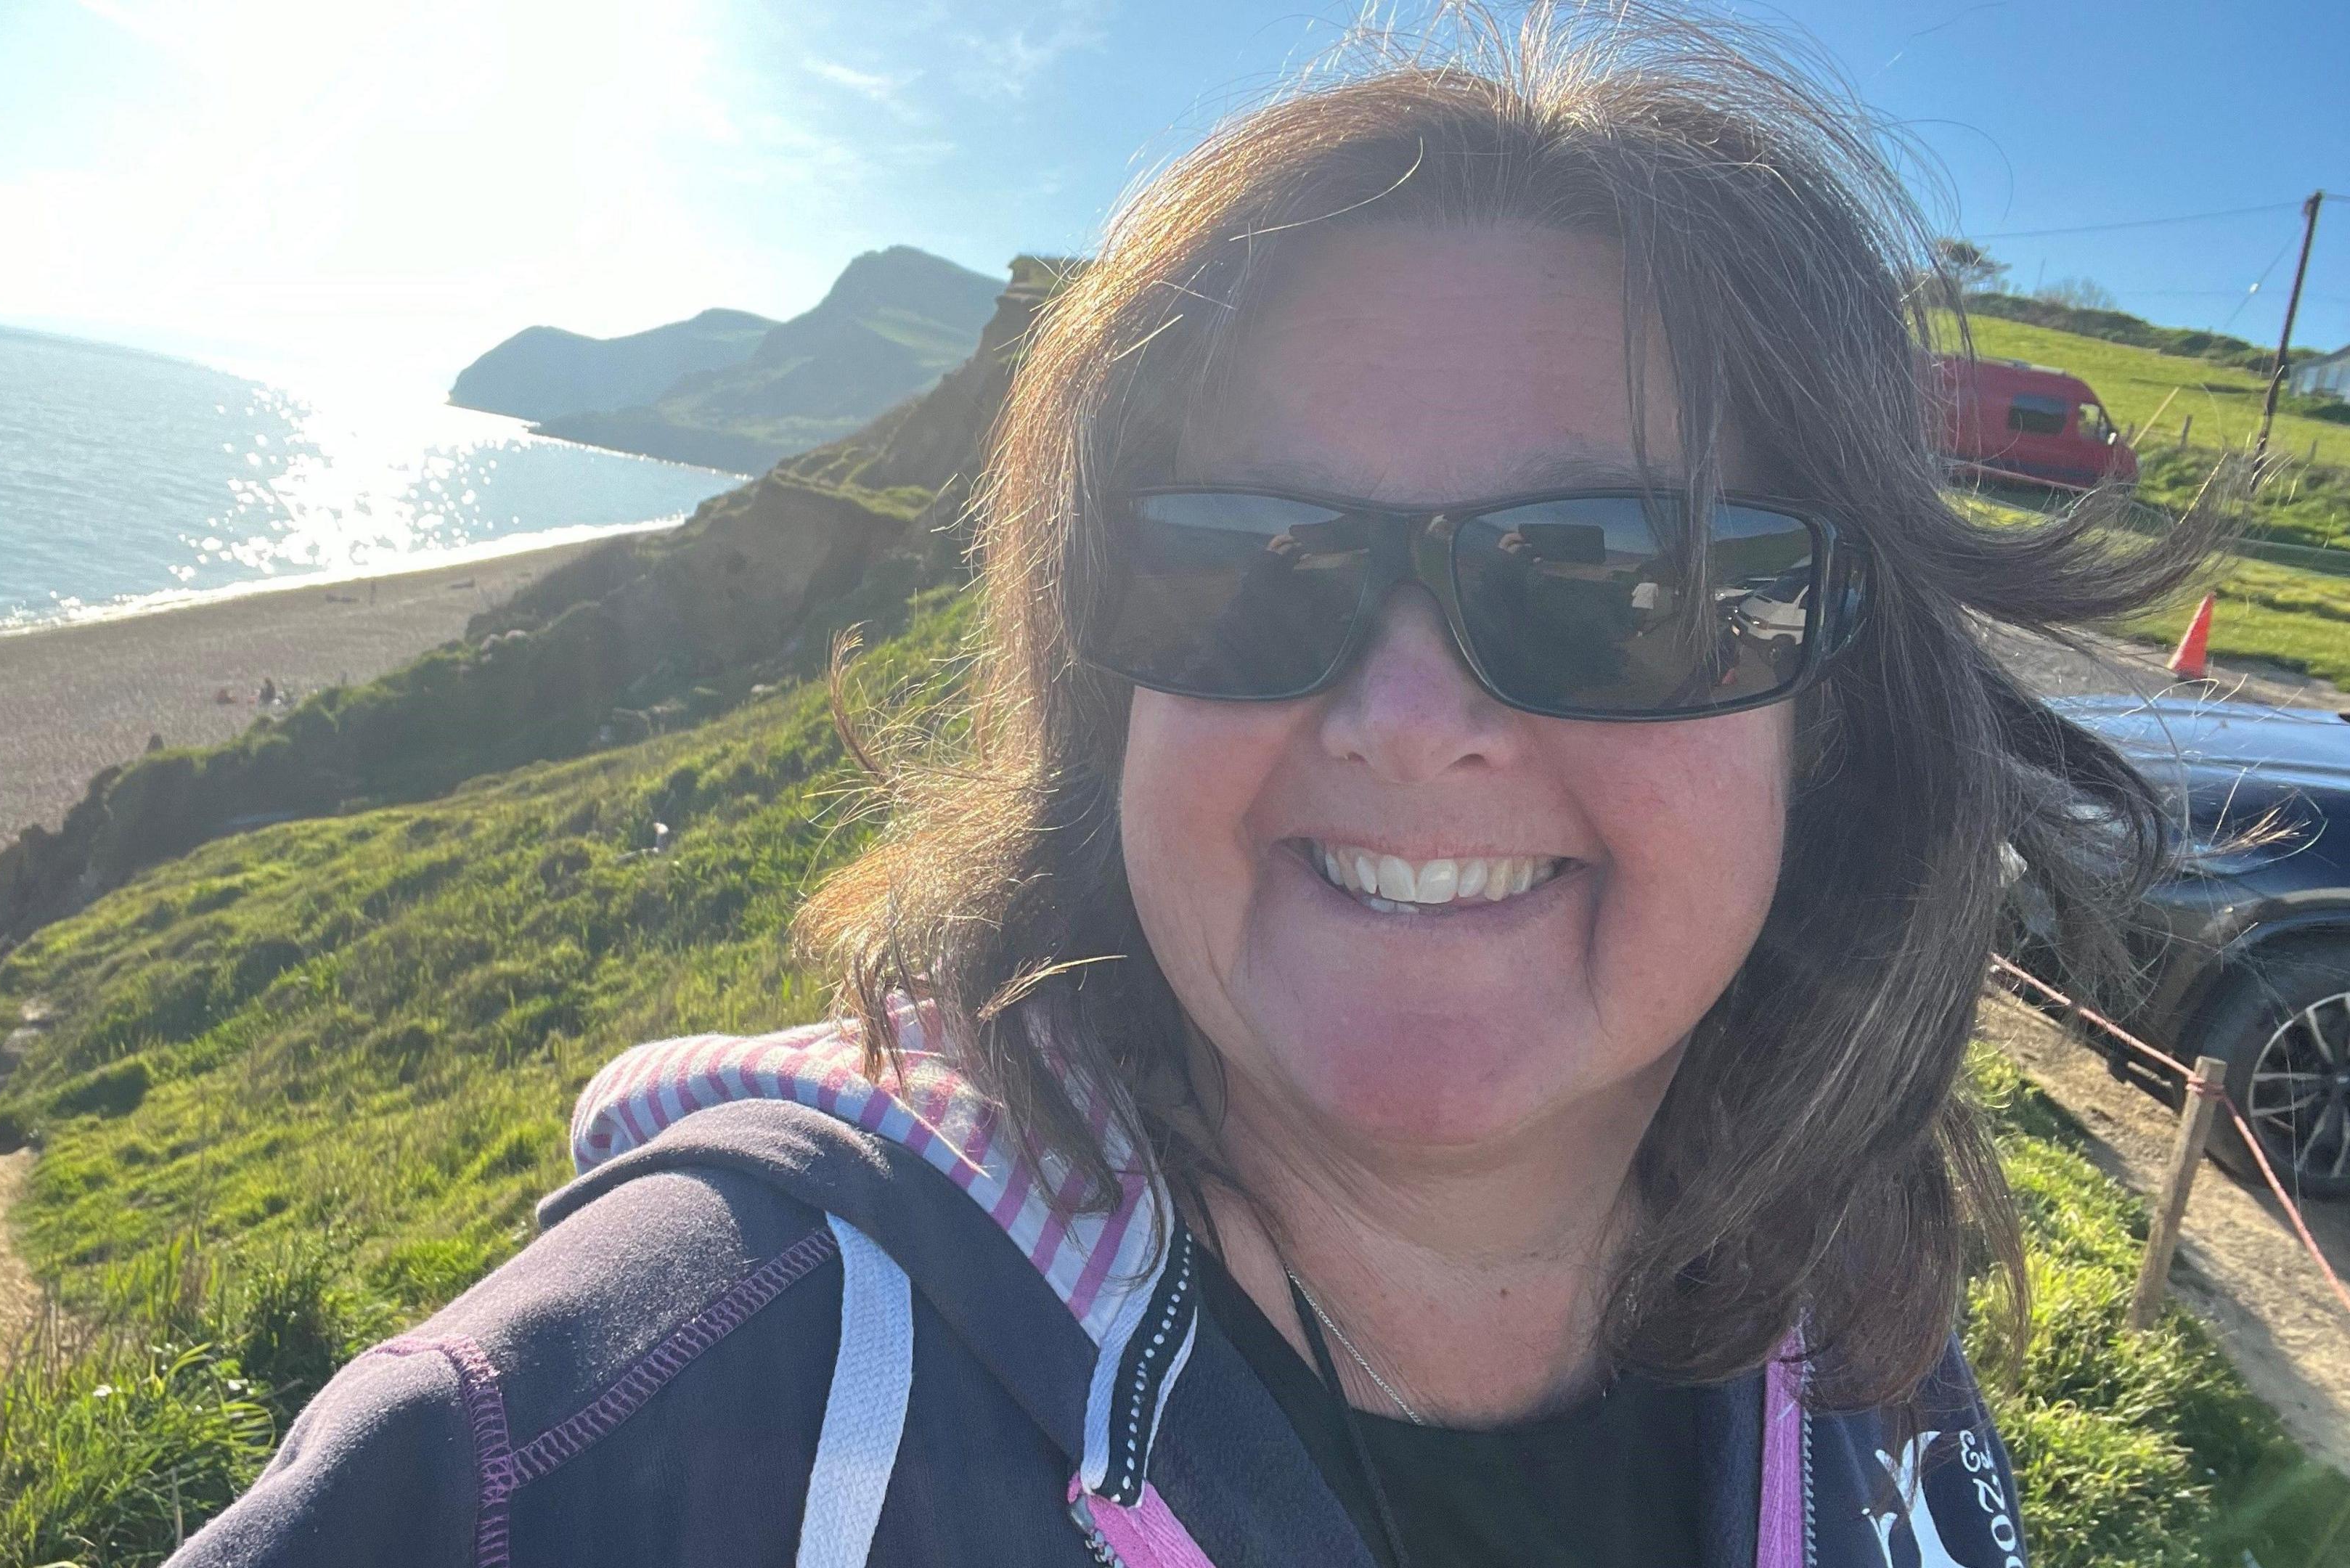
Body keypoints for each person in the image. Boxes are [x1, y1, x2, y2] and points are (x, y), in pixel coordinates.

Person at [168, 12, 2203, 1567]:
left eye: (1618, 583)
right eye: (1245, 566)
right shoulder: (664, 1414)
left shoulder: (1869, 1347)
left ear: (1834, 708)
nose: (1407, 723)